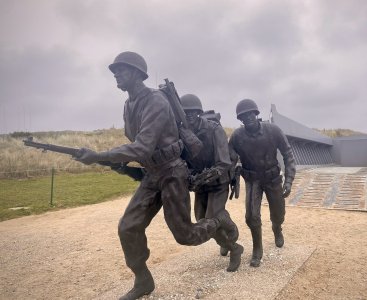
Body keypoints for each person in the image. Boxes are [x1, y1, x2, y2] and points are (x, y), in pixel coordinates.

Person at [75, 51, 229, 300]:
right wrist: (118, 161)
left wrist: (99, 155)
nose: (116, 75)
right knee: (128, 227)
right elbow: (136, 144)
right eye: (114, 72)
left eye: (121, 70)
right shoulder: (128, 104)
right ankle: (143, 280)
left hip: (172, 172)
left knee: (185, 235)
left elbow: (143, 146)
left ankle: (216, 222)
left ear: (136, 73)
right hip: (152, 174)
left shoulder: (156, 101)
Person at [180, 94, 244, 272]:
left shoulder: (214, 129)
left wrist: (204, 176)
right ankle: (228, 232)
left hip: (218, 182)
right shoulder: (182, 132)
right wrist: (190, 177)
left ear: (199, 112)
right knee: (201, 220)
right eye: (186, 112)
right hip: (201, 185)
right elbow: (184, 160)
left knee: (210, 221)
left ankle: (234, 248)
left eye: (193, 112)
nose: (190, 115)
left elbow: (224, 162)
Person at [228, 99, 296, 268]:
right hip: (252, 180)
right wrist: (233, 169)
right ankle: (257, 248)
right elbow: (229, 157)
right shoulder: (237, 136)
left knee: (278, 213)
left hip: (273, 179)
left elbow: (288, 154)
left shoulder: (273, 131)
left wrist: (288, 180)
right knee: (251, 216)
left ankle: (277, 228)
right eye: (244, 116)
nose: (248, 118)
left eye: (250, 114)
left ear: (256, 114)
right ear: (240, 120)